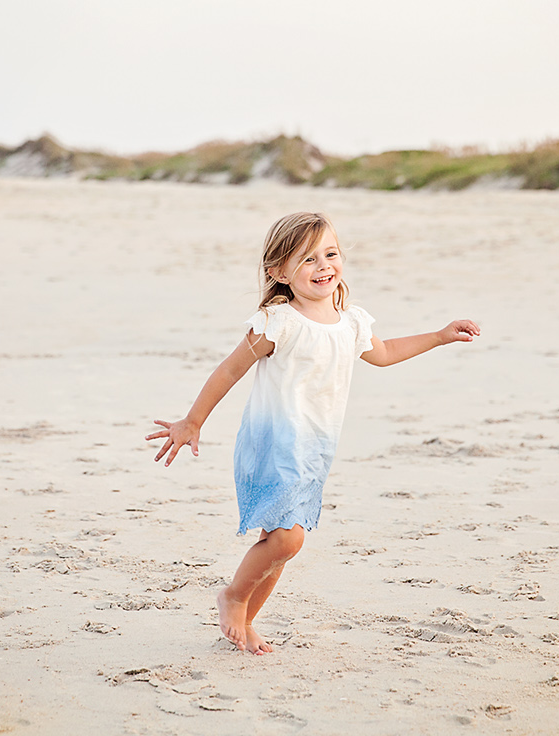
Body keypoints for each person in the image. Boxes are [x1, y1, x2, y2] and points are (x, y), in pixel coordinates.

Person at [147, 212, 481, 654]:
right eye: (307, 259)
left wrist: (439, 336)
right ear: (279, 272)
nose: (323, 265)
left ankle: (246, 619)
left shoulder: (351, 323)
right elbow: (230, 370)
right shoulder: (278, 322)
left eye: (330, 254)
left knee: (281, 543)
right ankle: (233, 596)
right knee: (288, 537)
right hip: (272, 444)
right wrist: (193, 420)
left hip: (314, 450)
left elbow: (384, 354)